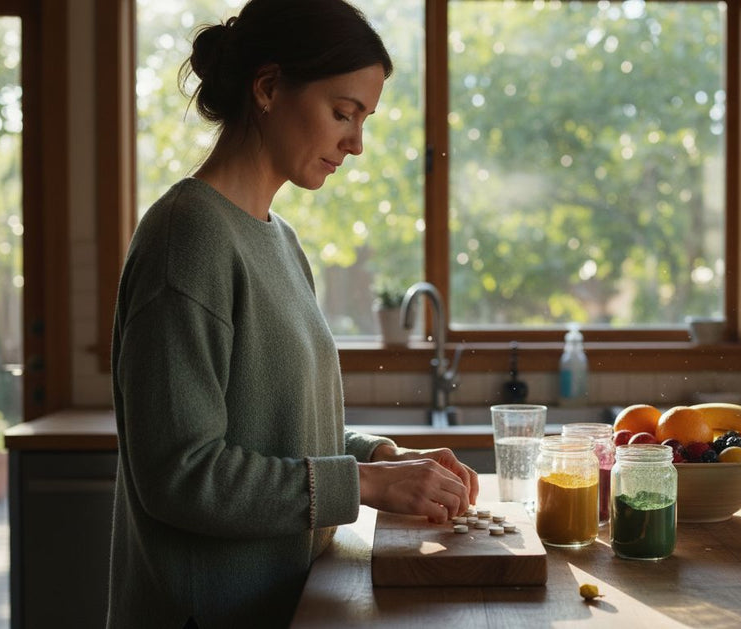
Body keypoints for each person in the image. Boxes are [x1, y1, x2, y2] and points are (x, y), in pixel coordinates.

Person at [106, 1, 478, 627]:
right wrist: (365, 486)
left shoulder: (280, 240)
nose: (356, 144)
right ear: (269, 87)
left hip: (286, 606)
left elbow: (281, 439)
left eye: (365, 120)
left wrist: (381, 457)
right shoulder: (186, 236)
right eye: (342, 113)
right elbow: (182, 475)